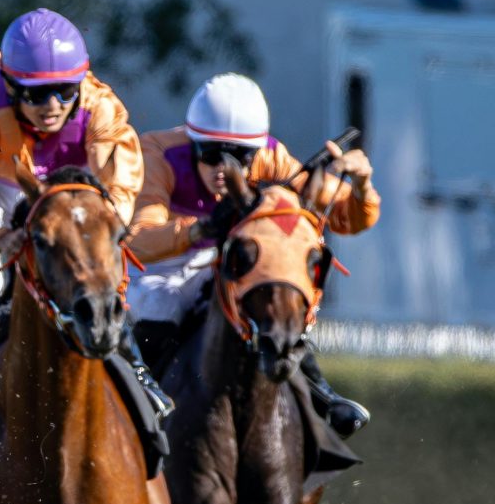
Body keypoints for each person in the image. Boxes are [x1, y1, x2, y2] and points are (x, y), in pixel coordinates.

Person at [128, 71, 379, 440]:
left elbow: (345, 218)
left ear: (256, 151)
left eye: (239, 157)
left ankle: (321, 393)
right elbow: (139, 241)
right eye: (211, 155)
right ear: (192, 140)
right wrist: (199, 229)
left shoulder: (271, 157)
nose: (224, 169)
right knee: (161, 302)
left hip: (226, 258)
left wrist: (360, 186)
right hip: (162, 265)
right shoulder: (157, 153)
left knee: (273, 300)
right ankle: (143, 399)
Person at [0, 7, 145, 321]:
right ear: (10, 87)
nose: (52, 107)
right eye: (36, 94)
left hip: (71, 196)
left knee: (107, 286)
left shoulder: (100, 105)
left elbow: (119, 192)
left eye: (64, 92)